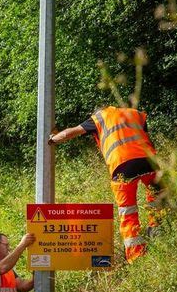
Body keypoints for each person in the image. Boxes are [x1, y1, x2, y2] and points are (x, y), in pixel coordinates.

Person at [49, 105, 163, 263]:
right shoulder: (135, 113)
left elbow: (70, 132)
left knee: (127, 210)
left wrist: (52, 138)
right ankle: (159, 235)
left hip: (122, 165)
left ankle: (136, 256)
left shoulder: (99, 117)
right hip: (148, 160)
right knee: (157, 197)